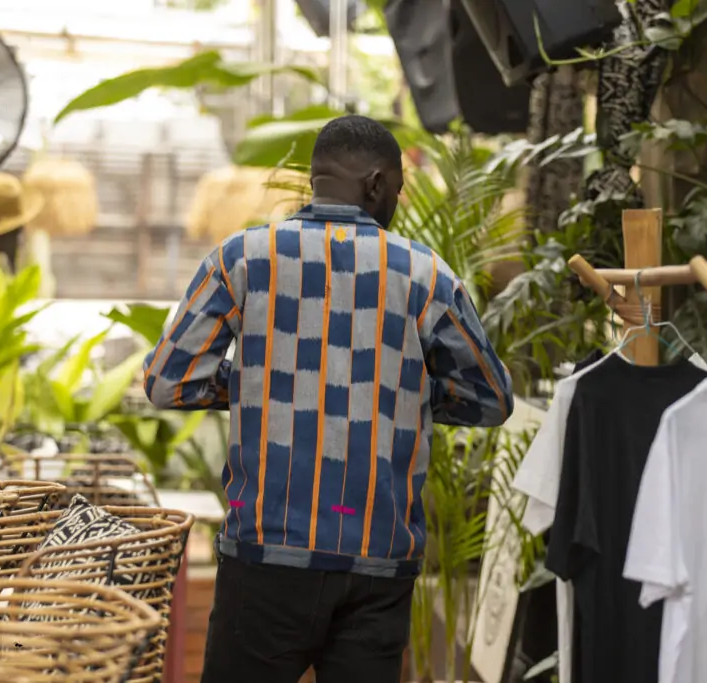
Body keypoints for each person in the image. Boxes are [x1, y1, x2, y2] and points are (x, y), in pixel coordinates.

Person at [143, 114, 513, 683]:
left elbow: (169, 381)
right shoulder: (425, 275)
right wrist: (400, 393)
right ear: (376, 183)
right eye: (397, 189)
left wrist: (257, 385)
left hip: (265, 556)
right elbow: (490, 398)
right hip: (377, 563)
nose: (396, 201)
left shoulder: (242, 258)